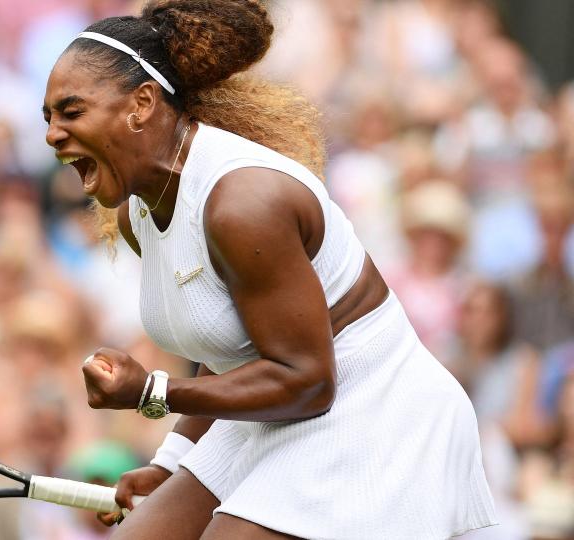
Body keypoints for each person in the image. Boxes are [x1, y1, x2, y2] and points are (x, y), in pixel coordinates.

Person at [41, 1, 497, 538]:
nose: (52, 135)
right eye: (47, 118)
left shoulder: (243, 205)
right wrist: (170, 462)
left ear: (142, 104)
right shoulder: (140, 213)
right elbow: (229, 344)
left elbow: (307, 381)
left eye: (71, 112)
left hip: (374, 411)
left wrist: (154, 392)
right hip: (283, 403)